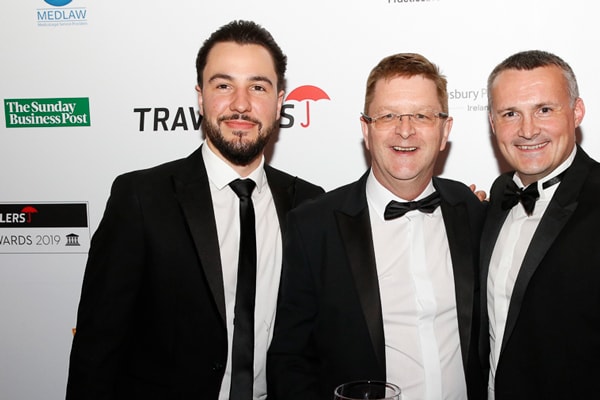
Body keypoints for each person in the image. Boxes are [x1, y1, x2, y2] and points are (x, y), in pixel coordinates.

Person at [65, 20, 323, 400]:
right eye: (223, 86)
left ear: (279, 101)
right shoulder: (140, 198)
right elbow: (97, 348)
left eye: (257, 87)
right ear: (200, 98)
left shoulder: (310, 204)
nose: (240, 104)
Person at [267, 53, 486, 400]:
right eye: (388, 116)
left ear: (445, 130)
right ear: (366, 130)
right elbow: (289, 359)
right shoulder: (314, 226)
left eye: (422, 115)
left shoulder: (469, 210)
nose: (405, 129)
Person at [481, 50, 600, 399]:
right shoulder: (499, 196)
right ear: (492, 123)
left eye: (544, 110)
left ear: (577, 112)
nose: (528, 130)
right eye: (510, 113)